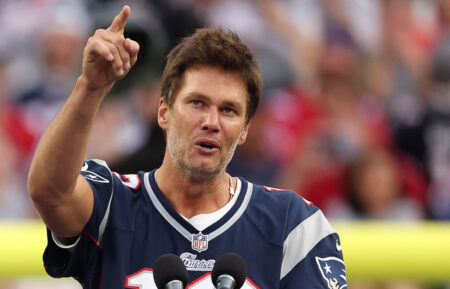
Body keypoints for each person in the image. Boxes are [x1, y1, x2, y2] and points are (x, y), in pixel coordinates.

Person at [27, 6, 347, 289]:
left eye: (229, 110)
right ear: (164, 112)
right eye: (197, 102)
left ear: (246, 128)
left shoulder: (293, 224)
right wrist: (90, 88)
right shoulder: (113, 203)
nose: (211, 121)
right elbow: (49, 192)